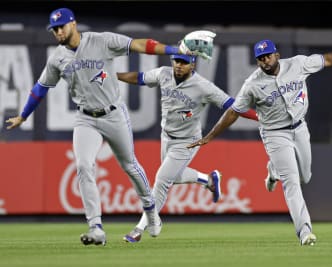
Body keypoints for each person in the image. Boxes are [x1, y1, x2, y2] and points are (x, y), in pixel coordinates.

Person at [5, 7, 210, 246]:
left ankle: (152, 213)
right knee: (83, 165)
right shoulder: (57, 58)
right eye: (54, 29)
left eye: (61, 26)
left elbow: (140, 45)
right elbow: (41, 88)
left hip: (114, 114)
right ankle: (96, 228)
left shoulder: (101, 41)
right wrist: (23, 115)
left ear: (74, 24)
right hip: (85, 119)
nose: (58, 32)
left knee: (130, 166)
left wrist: (173, 50)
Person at [188, 39, 332, 246]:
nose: (264, 60)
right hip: (274, 133)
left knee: (306, 175)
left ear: (276, 55)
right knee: (292, 182)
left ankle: (273, 169)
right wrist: (210, 136)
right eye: (260, 58)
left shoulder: (297, 64)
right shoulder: (252, 84)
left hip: (299, 127)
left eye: (268, 55)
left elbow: (327, 60)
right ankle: (305, 231)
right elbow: (234, 112)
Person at [116, 54, 258, 243]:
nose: (179, 65)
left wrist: (260, 117)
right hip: (166, 136)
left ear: (192, 64)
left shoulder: (203, 86)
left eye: (184, 62)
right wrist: (114, 74)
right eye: (177, 61)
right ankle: (208, 180)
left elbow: (234, 106)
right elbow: (139, 78)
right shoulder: (163, 74)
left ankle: (141, 227)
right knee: (173, 177)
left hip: (187, 141)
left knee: (162, 180)